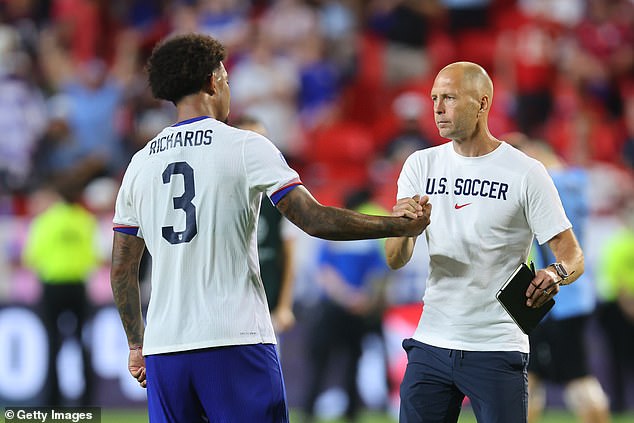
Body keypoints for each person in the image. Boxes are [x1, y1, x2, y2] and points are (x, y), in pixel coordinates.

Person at [109, 33, 430, 423]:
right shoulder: (245, 146)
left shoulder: (139, 163)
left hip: (165, 349)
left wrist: (136, 345)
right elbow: (313, 219)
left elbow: (123, 268)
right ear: (213, 82)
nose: (227, 88)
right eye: (226, 78)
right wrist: (398, 225)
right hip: (234, 339)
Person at [384, 61, 584, 423]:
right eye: (434, 98)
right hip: (431, 341)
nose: (437, 108)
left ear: (482, 103)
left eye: (449, 98)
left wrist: (555, 273)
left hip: (496, 346)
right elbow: (395, 260)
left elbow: (571, 254)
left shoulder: (526, 172)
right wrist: (405, 226)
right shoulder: (419, 164)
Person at [515, 141, 610, 423]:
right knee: (530, 377)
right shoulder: (576, 181)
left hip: (553, 299)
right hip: (577, 292)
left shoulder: (545, 185)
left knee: (576, 380)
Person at [303, 189, 390, 422]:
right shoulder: (368, 240)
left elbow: (324, 273)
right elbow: (379, 273)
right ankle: (351, 413)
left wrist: (345, 296)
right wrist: (362, 299)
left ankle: (309, 411)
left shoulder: (332, 236)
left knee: (321, 363)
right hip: (357, 308)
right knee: (353, 363)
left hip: (333, 307)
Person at [22, 181, 99, 406]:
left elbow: (32, 255)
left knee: (52, 344)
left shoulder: (45, 221)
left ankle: (52, 400)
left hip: (53, 286)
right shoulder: (85, 221)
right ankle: (87, 400)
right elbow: (93, 255)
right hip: (77, 286)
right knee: (82, 342)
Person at [234, 115, 296, 334]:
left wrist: (285, 306)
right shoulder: (221, 193)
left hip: (266, 307)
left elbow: (288, 255)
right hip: (227, 311)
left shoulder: (279, 196)